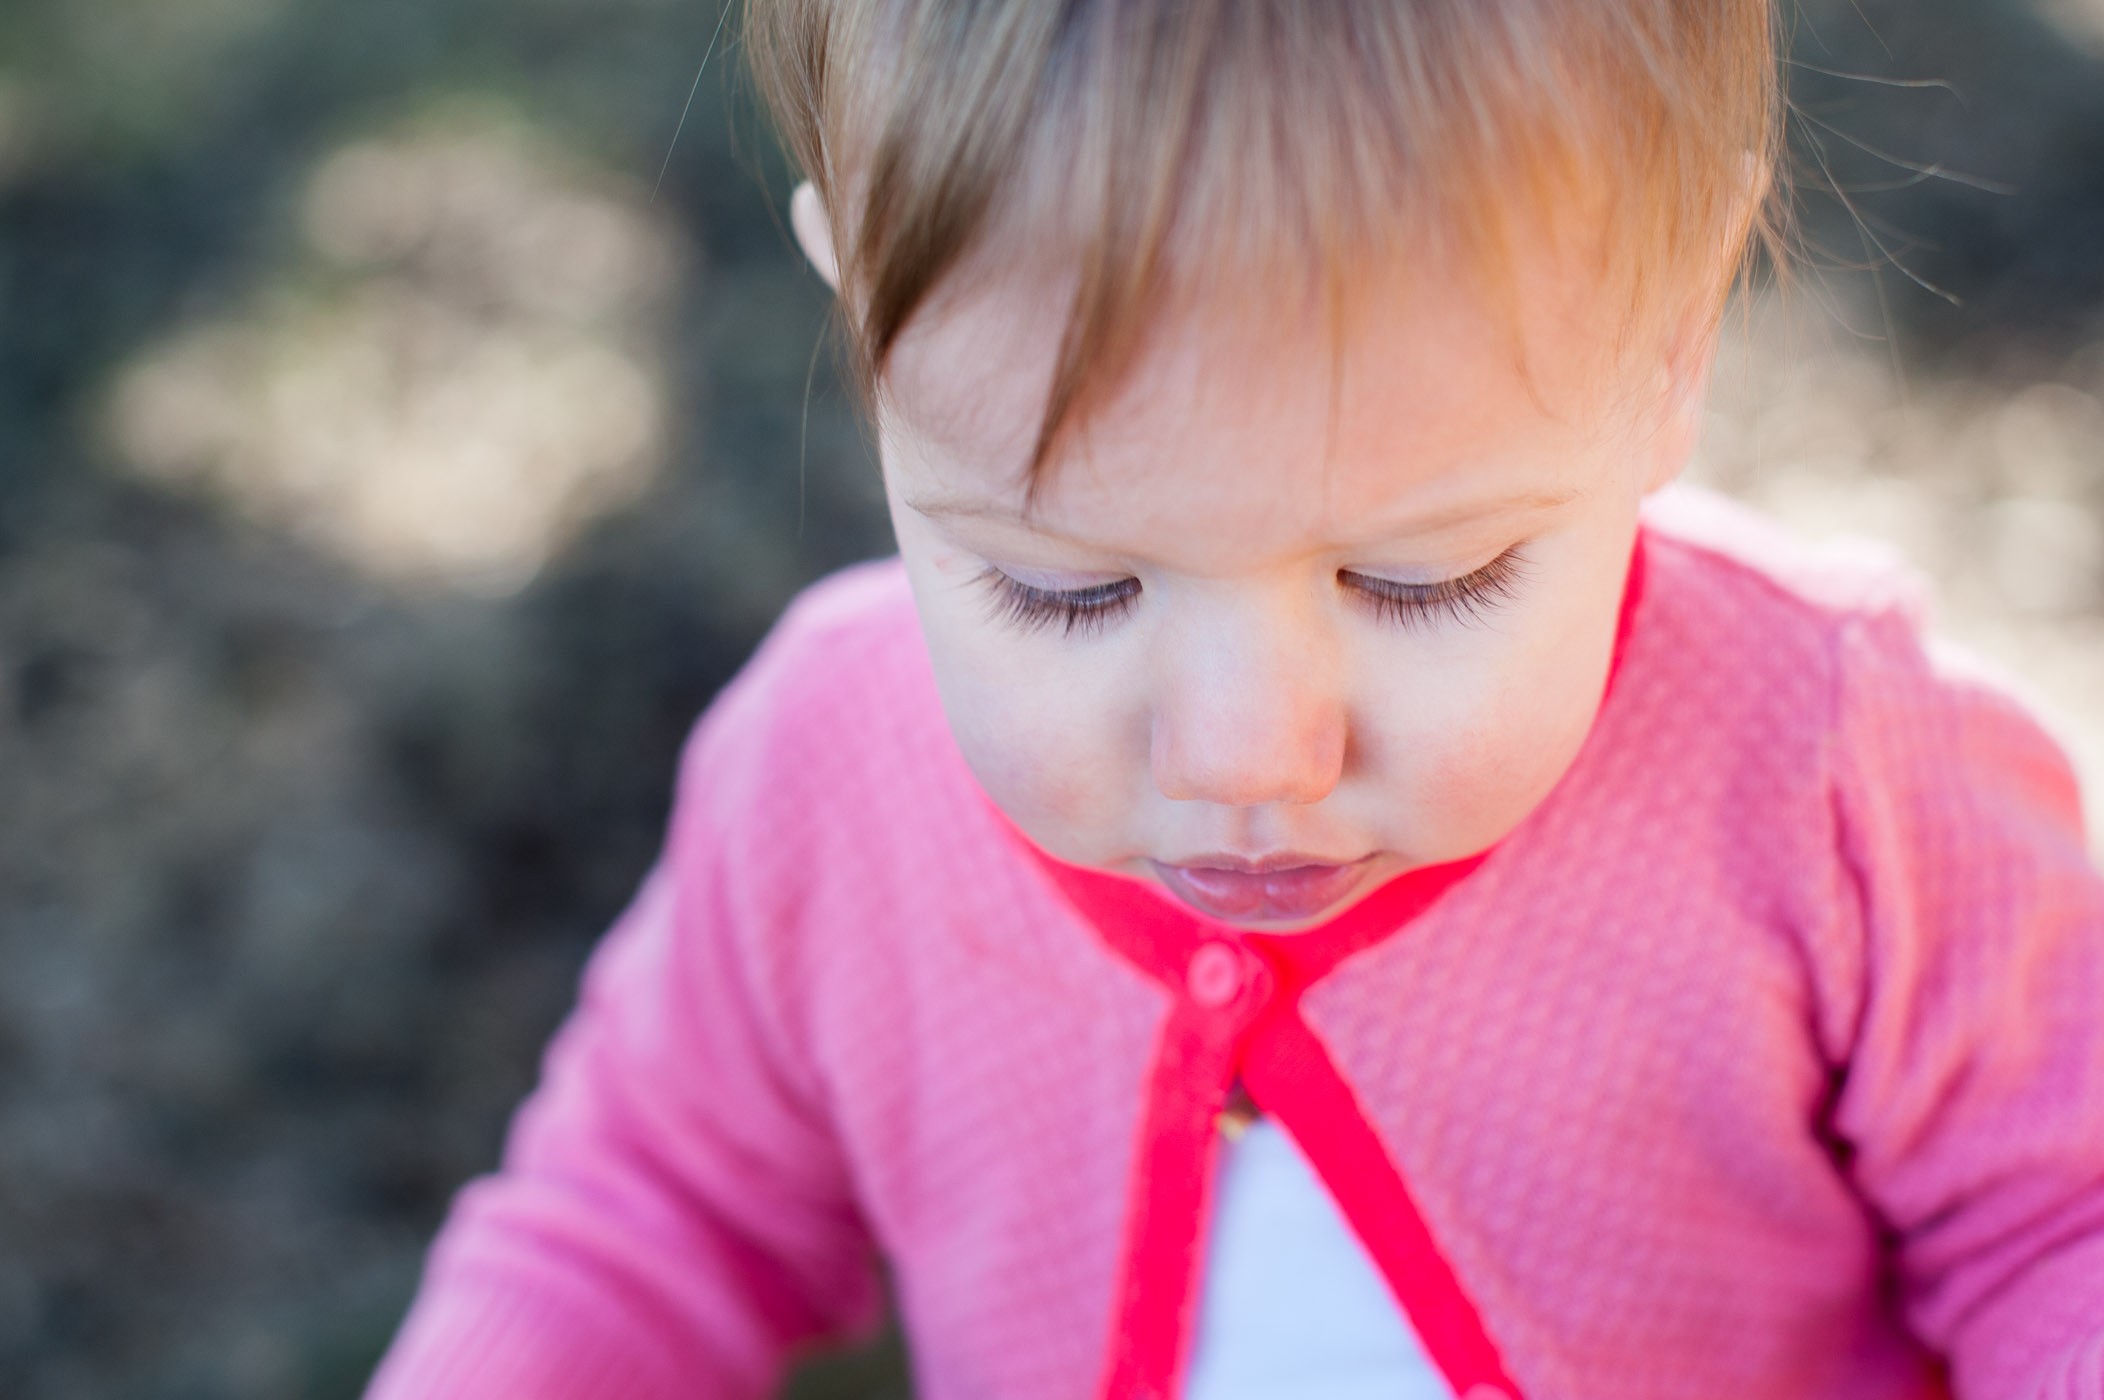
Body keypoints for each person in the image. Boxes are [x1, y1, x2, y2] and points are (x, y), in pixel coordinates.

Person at [363, 2, 2104, 1397]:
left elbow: (2063, 1226)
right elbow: (643, 1218)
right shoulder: (829, 768)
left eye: (1422, 579)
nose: (1249, 752)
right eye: (1070, 586)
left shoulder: (1835, 762)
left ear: (1673, 336)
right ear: (868, 318)